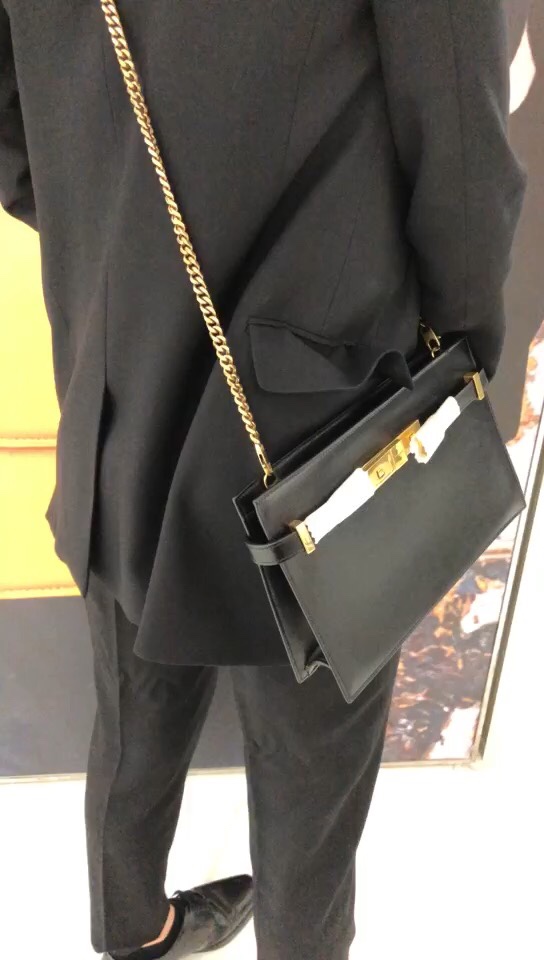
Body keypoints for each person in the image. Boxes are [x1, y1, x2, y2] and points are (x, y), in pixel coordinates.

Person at [0, 2, 527, 959]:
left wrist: (110, 233)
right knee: (311, 764)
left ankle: (134, 931)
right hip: (323, 381)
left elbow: (9, 118)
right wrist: (461, 357)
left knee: (132, 690)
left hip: (110, 359)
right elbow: (458, 140)